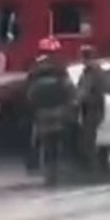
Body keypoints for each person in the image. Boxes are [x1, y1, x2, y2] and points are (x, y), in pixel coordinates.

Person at [24, 48, 76, 183]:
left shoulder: (35, 77)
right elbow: (69, 94)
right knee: (57, 143)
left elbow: (29, 97)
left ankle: (43, 169)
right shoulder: (60, 74)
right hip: (58, 114)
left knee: (44, 144)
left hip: (42, 116)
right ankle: (57, 170)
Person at [75, 45, 107, 173]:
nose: (81, 60)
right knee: (88, 139)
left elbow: (87, 92)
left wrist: (78, 99)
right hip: (92, 108)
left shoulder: (93, 72)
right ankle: (93, 166)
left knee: (88, 140)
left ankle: (93, 169)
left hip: (92, 109)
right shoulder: (92, 71)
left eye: (82, 57)